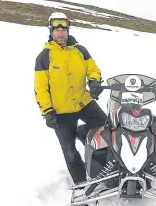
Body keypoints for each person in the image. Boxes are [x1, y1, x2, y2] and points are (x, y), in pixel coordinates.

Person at [34, 12, 107, 185]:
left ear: (68, 31)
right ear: (51, 32)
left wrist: (94, 81)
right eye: (56, 30)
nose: (60, 33)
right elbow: (40, 88)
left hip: (84, 102)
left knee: (107, 130)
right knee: (69, 151)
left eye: (63, 29)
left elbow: (93, 68)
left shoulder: (80, 50)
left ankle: (87, 140)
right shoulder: (44, 57)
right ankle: (81, 185)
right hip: (61, 111)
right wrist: (47, 111)